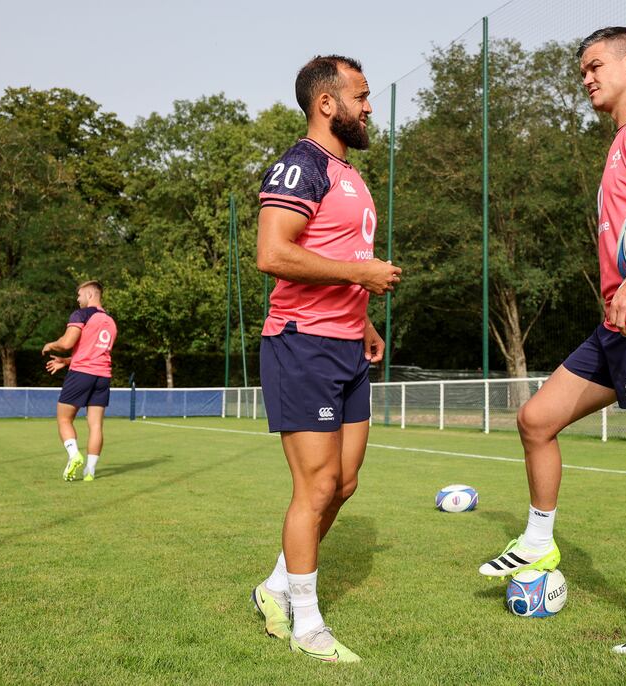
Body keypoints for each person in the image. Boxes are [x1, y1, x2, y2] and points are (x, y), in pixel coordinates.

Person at [477, 27, 626, 658]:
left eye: (595, 65)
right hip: (620, 324)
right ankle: (539, 539)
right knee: (536, 419)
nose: (585, 77)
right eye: (582, 69)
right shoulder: (617, 143)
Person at [251, 54, 400, 664]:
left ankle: (276, 585)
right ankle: (307, 624)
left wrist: (361, 317)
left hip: (345, 346)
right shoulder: (301, 166)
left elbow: (330, 257)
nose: (369, 107)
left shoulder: (351, 175)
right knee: (313, 487)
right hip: (301, 343)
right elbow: (272, 253)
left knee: (344, 483)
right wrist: (360, 273)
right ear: (327, 103)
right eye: (361, 96)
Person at [42, 280, 118, 483]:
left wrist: (51, 344)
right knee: (95, 426)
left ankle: (74, 455)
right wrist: (65, 362)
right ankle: (90, 471)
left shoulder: (82, 315)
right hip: (103, 377)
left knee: (64, 419)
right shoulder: (110, 322)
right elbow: (92, 352)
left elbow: (67, 343)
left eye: (79, 295)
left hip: (81, 375)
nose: (77, 299)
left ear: (90, 294)